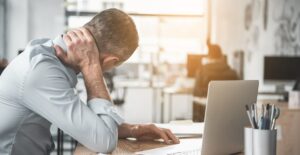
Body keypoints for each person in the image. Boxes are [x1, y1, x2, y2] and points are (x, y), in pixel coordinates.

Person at [0, 8, 179, 155]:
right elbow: (104, 142)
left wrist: (133, 129)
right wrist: (91, 67)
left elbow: (85, 120)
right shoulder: (41, 71)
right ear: (111, 61)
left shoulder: (47, 54)